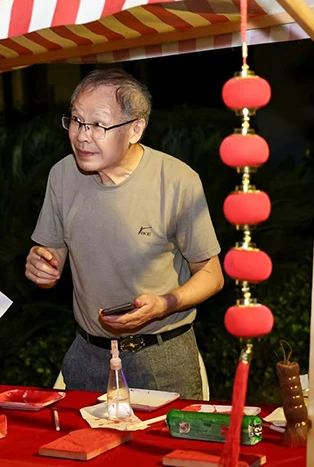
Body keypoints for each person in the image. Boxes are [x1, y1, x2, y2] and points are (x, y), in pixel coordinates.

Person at [25, 69, 224, 400]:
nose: (82, 136)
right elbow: (51, 256)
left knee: (170, 436)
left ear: (135, 129)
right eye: (76, 121)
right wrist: (42, 266)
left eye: (98, 125)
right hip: (88, 354)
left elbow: (212, 275)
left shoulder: (177, 181)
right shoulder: (61, 175)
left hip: (162, 356)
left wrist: (163, 304)